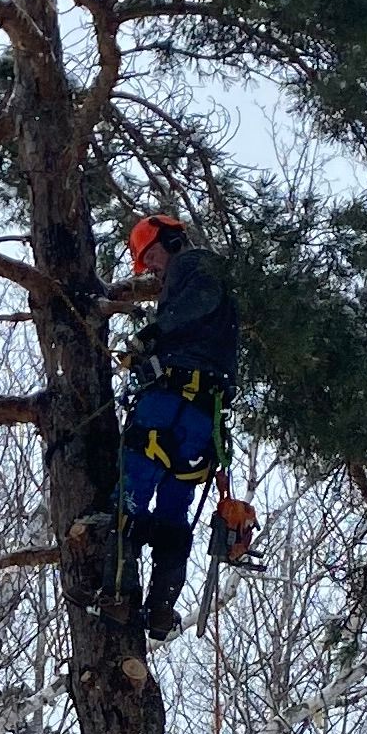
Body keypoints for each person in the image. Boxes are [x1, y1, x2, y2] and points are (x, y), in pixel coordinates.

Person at [114, 213, 242, 638]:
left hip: (171, 402)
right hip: (203, 415)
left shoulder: (194, 264)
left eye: (150, 255)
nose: (149, 266)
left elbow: (196, 302)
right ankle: (161, 609)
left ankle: (119, 591)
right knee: (173, 512)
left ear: (169, 241)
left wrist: (155, 332)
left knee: (129, 493)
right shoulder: (206, 295)